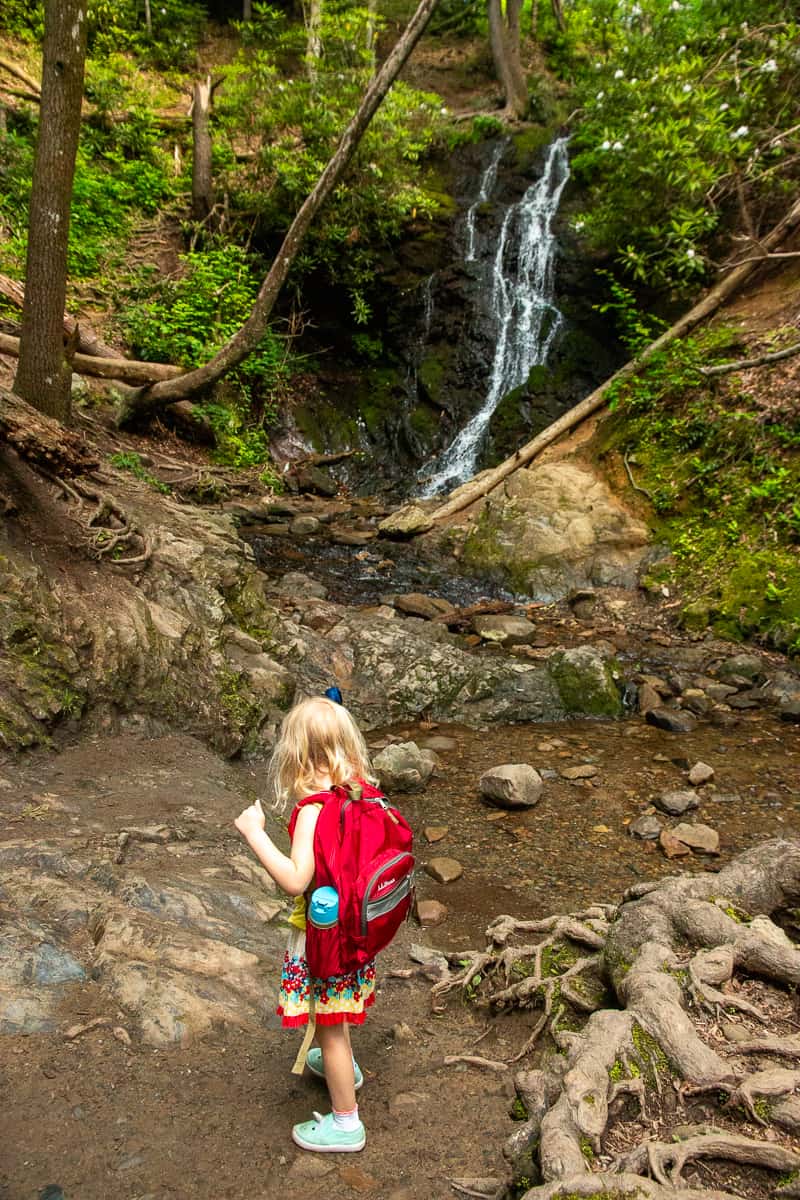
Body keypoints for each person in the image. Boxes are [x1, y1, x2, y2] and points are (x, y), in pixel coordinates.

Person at [233, 694, 377, 1153]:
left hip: (325, 941)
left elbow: (296, 880)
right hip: (358, 932)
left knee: (330, 1025)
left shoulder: (313, 811)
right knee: (338, 1015)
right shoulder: (361, 793)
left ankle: (345, 1123)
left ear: (296, 758)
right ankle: (345, 1069)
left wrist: (255, 834)